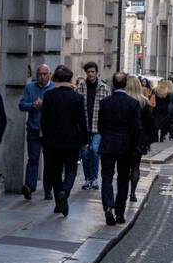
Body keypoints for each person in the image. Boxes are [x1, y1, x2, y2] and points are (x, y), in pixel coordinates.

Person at [40, 64, 88, 218]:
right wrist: (84, 139)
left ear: (55, 79)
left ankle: (58, 202)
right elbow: (82, 121)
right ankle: (65, 191)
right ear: (70, 79)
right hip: (72, 140)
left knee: (55, 171)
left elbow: (44, 121)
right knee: (71, 170)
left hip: (52, 141)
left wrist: (45, 138)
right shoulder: (77, 97)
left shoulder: (48, 96)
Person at [97, 70, 141, 225]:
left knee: (107, 178)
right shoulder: (133, 103)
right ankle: (120, 214)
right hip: (125, 146)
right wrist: (133, 144)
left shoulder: (105, 102)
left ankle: (108, 206)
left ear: (113, 84)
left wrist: (107, 136)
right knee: (123, 179)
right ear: (126, 84)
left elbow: (100, 125)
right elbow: (137, 128)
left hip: (108, 144)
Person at [18, 62, 54, 200]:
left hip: (49, 130)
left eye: (45, 74)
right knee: (33, 158)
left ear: (49, 75)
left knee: (49, 161)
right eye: (39, 74)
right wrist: (32, 105)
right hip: (34, 128)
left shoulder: (54, 88)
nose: (42, 77)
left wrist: (46, 104)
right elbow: (22, 105)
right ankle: (30, 186)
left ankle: (48, 189)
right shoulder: (30, 87)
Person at [77, 61, 108, 190]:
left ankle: (94, 178)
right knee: (85, 153)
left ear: (96, 72)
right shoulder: (80, 87)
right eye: (88, 72)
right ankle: (87, 179)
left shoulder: (104, 88)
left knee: (94, 150)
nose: (90, 74)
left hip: (98, 126)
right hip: (84, 126)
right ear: (86, 72)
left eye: (93, 72)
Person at [126, 74, 156, 203]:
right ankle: (132, 193)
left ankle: (123, 191)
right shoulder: (144, 102)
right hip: (139, 139)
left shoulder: (124, 100)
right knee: (135, 167)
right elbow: (150, 122)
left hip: (124, 138)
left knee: (124, 167)